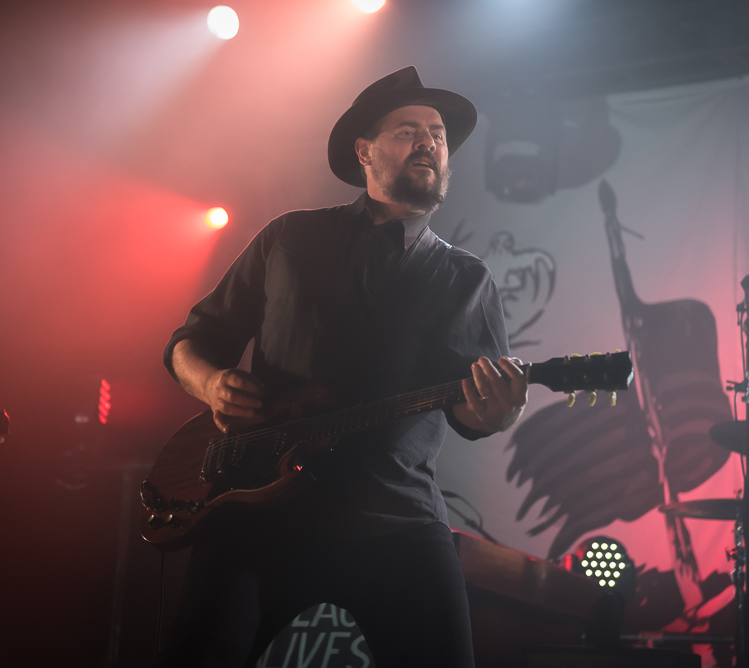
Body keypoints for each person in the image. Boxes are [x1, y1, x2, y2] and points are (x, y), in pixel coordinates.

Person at [158, 66, 528, 668]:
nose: (430, 142)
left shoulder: (465, 278)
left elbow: (472, 408)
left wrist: (497, 411)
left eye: (436, 133)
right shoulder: (288, 237)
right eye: (409, 130)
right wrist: (212, 383)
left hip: (393, 518)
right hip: (255, 511)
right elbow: (193, 339)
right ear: (364, 150)